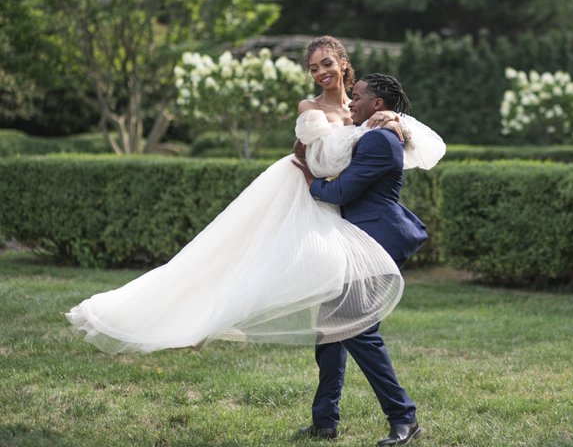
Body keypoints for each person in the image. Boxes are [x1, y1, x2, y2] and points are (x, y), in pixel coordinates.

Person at [65, 35, 445, 359]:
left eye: (326, 63)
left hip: (339, 204)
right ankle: (206, 320)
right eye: (313, 68)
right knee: (248, 260)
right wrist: (342, 146)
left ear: (343, 64)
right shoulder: (311, 110)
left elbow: (416, 146)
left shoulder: (365, 108)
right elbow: (325, 158)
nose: (321, 73)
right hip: (305, 191)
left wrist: (393, 121)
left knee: (331, 314)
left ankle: (326, 414)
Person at [292, 73, 428, 446]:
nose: (351, 102)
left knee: (358, 332)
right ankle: (324, 421)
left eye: (358, 97)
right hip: (350, 243)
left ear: (378, 105)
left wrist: (307, 176)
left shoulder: (381, 142)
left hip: (375, 242)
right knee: (329, 333)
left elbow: (338, 191)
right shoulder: (370, 134)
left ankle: (404, 418)